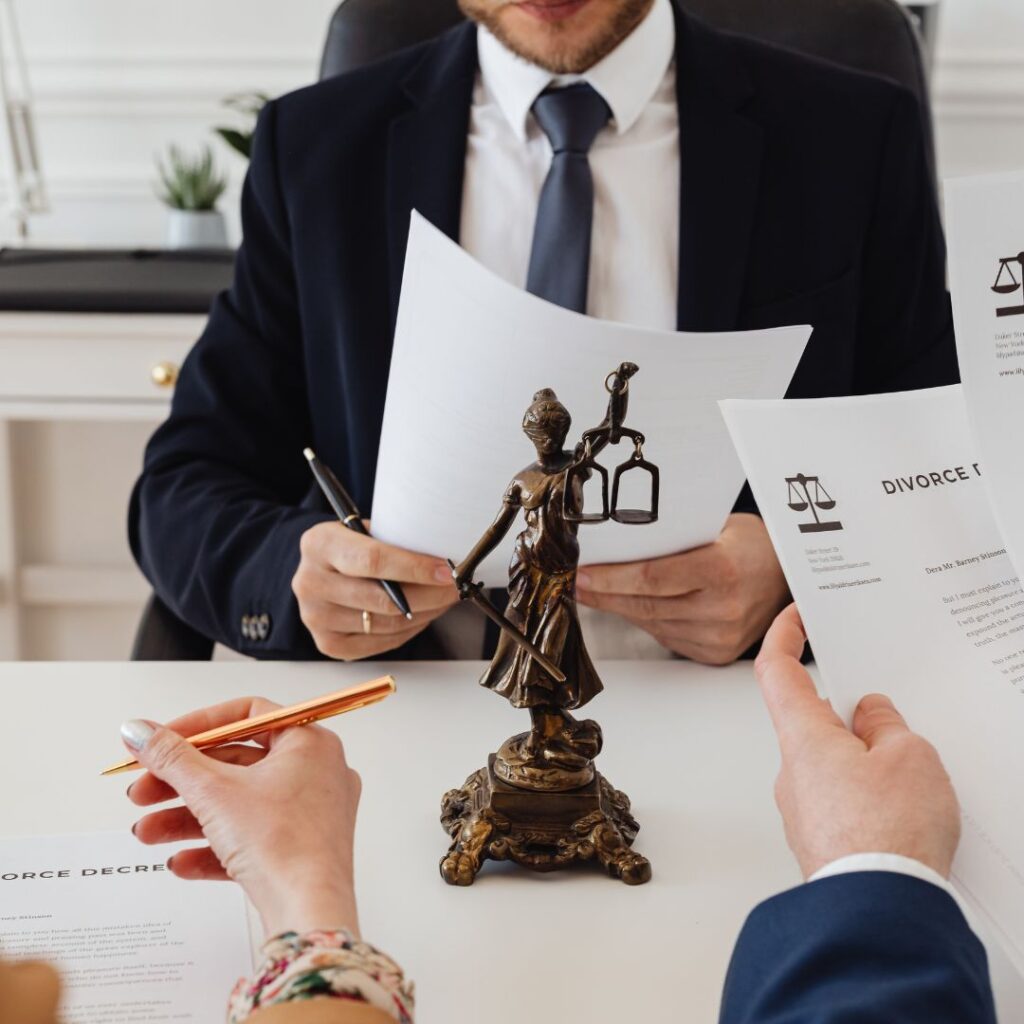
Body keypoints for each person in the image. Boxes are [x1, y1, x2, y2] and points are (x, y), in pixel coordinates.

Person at [129, 0, 957, 665]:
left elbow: (949, 473)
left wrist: (801, 572)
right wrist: (296, 572)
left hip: (749, 719)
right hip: (413, 714)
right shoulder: (312, 149)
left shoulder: (853, 140)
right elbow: (183, 488)